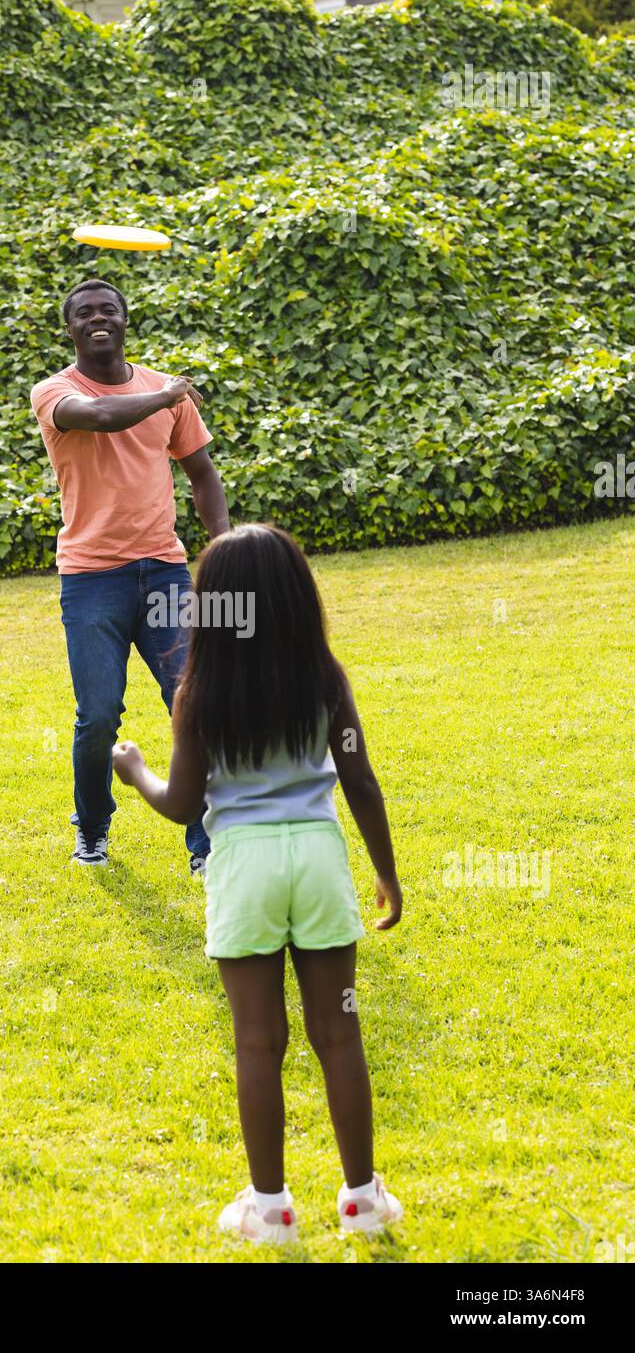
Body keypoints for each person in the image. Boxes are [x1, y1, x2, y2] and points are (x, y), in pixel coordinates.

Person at [112, 524, 404, 1244]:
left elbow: (181, 805)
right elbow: (358, 780)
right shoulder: (325, 680)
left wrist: (133, 769)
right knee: (338, 1032)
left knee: (256, 1040)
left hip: (242, 868)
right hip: (316, 860)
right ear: (298, 599)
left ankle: (269, 1209)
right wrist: (386, 873)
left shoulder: (199, 694)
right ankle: (362, 1200)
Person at [30, 278, 229, 870]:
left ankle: (207, 843)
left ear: (124, 321)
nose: (98, 318)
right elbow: (99, 416)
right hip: (91, 578)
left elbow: (202, 475)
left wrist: (222, 548)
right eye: (85, 312)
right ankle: (92, 828)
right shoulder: (55, 391)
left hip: (166, 572)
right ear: (69, 328)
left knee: (191, 702)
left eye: (108, 310)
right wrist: (167, 397)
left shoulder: (166, 394)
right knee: (97, 715)